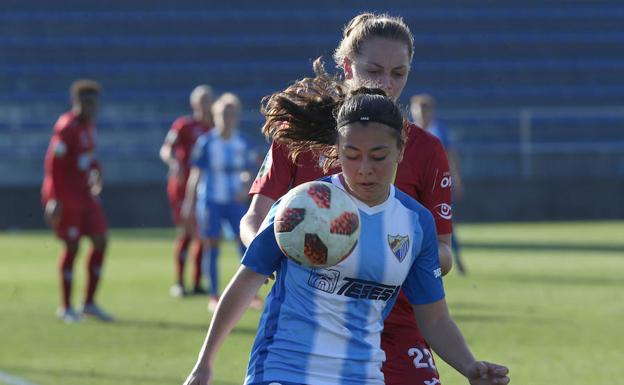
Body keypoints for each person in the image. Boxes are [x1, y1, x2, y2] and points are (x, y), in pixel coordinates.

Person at [183, 87, 509, 385]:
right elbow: (246, 281)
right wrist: (204, 364)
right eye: (352, 154)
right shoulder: (303, 205)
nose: (365, 167)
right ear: (337, 150)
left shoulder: (415, 223)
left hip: (362, 374)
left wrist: (471, 367)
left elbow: (435, 319)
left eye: (378, 156)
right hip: (284, 369)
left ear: (400, 150)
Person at [241, 13, 454, 385]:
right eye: (374, 70)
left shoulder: (426, 149)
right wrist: (286, 249)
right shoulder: (296, 137)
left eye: (398, 73)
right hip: (313, 322)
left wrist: (394, 251)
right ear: (346, 66)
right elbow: (254, 220)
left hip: (396, 321)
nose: (386, 84)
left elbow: (443, 251)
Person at [181, 93, 261, 312]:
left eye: (231, 113)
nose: (227, 118)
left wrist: (245, 188)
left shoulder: (242, 141)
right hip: (211, 201)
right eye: (223, 114)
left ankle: (250, 294)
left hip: (234, 201)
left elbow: (251, 170)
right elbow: (196, 174)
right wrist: (189, 202)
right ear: (215, 115)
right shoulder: (207, 141)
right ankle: (214, 295)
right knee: (212, 246)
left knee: (244, 245)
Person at [41, 79, 113, 323]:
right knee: (72, 247)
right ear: (77, 102)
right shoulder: (66, 126)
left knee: (101, 240)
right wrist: (55, 199)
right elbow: (54, 165)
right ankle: (65, 307)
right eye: (87, 102)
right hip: (66, 195)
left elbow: (88, 156)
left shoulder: (89, 127)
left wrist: (97, 169)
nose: (92, 108)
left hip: (85, 194)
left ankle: (89, 303)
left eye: (95, 103)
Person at [160, 85, 214, 297]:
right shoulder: (184, 125)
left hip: (206, 186)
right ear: (194, 103)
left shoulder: (215, 128)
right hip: (182, 185)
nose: (205, 104)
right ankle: (180, 282)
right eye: (201, 100)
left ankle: (197, 282)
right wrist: (173, 162)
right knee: (187, 230)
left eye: (208, 99)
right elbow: (166, 149)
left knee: (202, 233)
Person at [411, 94, 466, 275]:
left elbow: (450, 155)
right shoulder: (409, 131)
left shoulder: (439, 130)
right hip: (416, 184)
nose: (421, 115)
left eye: (424, 110)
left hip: (436, 185)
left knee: (444, 223)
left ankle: (454, 259)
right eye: (418, 110)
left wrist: (455, 179)